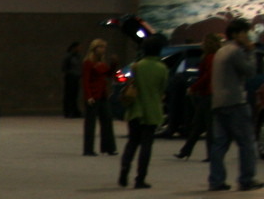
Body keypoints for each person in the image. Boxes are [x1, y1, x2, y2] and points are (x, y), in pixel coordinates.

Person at [206, 17, 259, 191]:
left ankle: (216, 180)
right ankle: (246, 179)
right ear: (236, 34)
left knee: (219, 144)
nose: (248, 36)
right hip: (236, 102)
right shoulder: (236, 51)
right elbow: (250, 71)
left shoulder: (221, 51)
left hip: (218, 103)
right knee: (246, 143)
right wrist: (251, 51)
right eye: (245, 32)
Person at [117, 37, 168, 188]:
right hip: (152, 111)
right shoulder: (162, 68)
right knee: (146, 146)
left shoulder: (136, 66)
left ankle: (124, 172)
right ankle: (140, 178)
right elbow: (162, 89)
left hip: (135, 110)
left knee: (132, 142)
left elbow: (129, 84)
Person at [174, 32, 219, 160]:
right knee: (200, 125)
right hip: (209, 93)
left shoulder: (209, 58)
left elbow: (206, 76)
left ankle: (203, 153)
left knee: (205, 126)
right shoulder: (215, 57)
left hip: (207, 94)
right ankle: (187, 150)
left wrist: (194, 87)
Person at [80, 39, 116, 156]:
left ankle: (109, 147)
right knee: (90, 123)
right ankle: (88, 149)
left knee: (107, 120)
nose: (102, 50)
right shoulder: (88, 62)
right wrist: (88, 96)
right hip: (93, 96)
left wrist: (114, 64)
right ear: (94, 49)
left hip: (103, 95)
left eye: (104, 47)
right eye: (100, 47)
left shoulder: (102, 63)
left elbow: (109, 74)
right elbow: (85, 80)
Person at [61, 41, 82, 118]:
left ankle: (74, 111)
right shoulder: (68, 57)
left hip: (76, 78)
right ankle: (68, 111)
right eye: (78, 47)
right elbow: (64, 68)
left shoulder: (78, 57)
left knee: (74, 95)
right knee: (69, 95)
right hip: (70, 78)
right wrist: (70, 73)